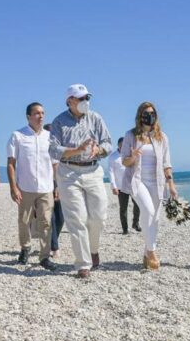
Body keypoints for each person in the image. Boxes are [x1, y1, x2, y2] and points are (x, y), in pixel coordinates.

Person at [49, 84, 112, 278]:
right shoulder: (59, 122)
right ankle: (83, 264)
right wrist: (77, 150)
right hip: (68, 173)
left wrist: (99, 150)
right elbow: (52, 149)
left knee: (99, 217)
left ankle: (93, 250)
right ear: (70, 101)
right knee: (77, 219)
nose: (86, 101)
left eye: (87, 98)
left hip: (93, 171)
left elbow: (108, 143)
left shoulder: (96, 118)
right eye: (81, 98)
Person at [120, 102, 178, 271]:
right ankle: (152, 252)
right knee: (148, 211)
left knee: (155, 219)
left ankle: (146, 253)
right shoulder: (130, 135)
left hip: (157, 182)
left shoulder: (162, 137)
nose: (150, 116)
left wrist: (171, 185)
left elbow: (167, 164)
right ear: (140, 116)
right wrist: (133, 156)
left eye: (152, 113)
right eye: (146, 113)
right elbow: (124, 161)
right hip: (137, 181)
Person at [7, 103, 58, 271]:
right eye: (36, 113)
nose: (41, 116)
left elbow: (55, 164)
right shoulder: (18, 136)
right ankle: (25, 248)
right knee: (24, 221)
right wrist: (13, 187)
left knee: (46, 222)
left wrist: (56, 186)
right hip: (25, 187)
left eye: (43, 113)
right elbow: (11, 164)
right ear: (28, 116)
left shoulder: (50, 137)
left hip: (46, 187)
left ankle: (44, 256)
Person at [108, 137, 141, 234]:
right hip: (120, 186)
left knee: (137, 204)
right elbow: (111, 172)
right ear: (118, 145)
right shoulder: (113, 157)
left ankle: (135, 223)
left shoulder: (131, 154)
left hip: (132, 184)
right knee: (123, 208)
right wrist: (113, 186)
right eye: (122, 145)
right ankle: (125, 229)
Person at [44, 123, 63, 259]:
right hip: (46, 184)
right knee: (51, 217)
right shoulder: (43, 148)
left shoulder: (60, 147)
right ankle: (54, 247)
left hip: (61, 183)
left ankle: (51, 240)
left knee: (61, 217)